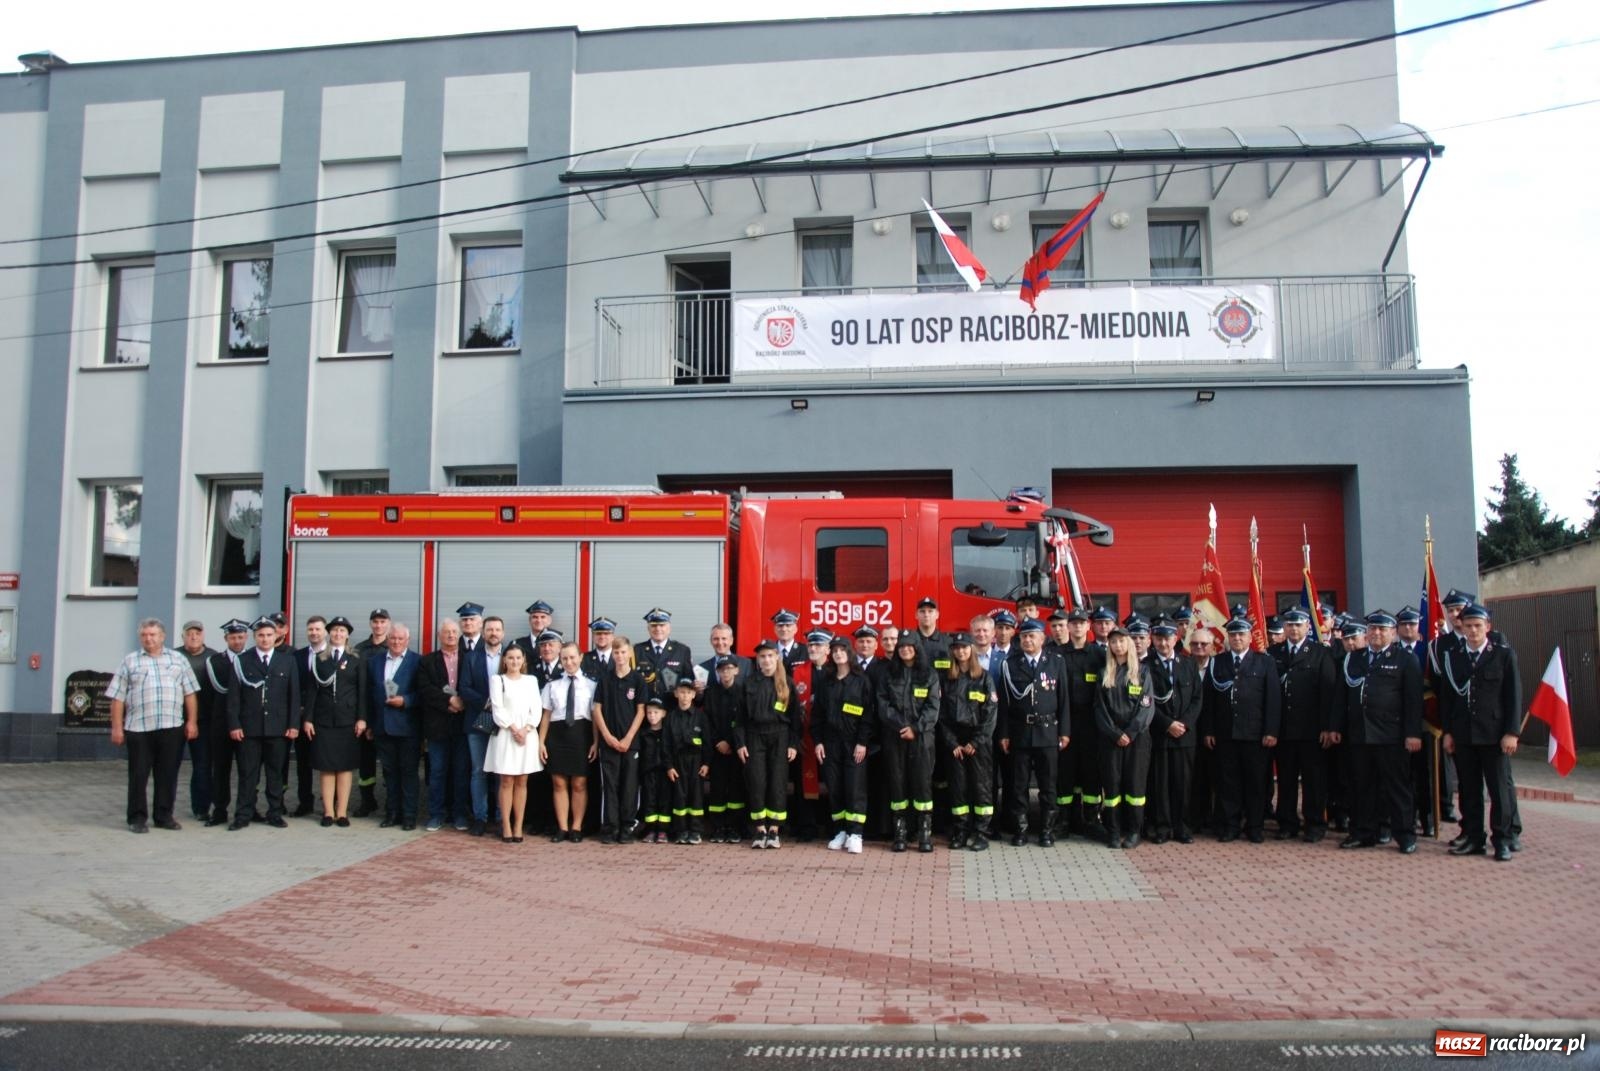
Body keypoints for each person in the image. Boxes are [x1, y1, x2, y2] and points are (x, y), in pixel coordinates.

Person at [1440, 604, 1521, 862]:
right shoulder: (1453, 656)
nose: (1473, 630)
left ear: (1488, 627)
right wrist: (1449, 732)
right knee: (1468, 789)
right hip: (1464, 734)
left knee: (1499, 790)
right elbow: (1449, 699)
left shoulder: (1503, 655)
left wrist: (1511, 732)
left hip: (1494, 734)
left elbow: (1513, 696)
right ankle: (1474, 837)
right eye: (1468, 626)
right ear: (1461, 627)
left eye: (1478, 625)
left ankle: (1503, 840)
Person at [107, 618, 200, 834]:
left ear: (163, 636)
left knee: (167, 774)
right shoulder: (130, 661)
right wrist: (117, 727)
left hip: (171, 727)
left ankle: (164, 816)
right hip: (139, 729)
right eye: (144, 635)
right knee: (138, 775)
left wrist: (192, 721)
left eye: (153, 634)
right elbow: (117, 697)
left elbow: (190, 693)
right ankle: (137, 818)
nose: (148, 639)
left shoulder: (178, 659)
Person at [1342, 611, 1423, 854]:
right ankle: (1363, 832)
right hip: (1360, 734)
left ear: (1393, 632)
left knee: (1397, 787)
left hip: (1391, 735)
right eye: (1373, 629)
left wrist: (1413, 733)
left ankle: (1405, 835)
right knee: (1362, 787)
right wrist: (1335, 727)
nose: (1376, 633)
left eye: (1382, 629)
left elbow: (1413, 700)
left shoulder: (1405, 659)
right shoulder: (1354, 658)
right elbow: (1342, 695)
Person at [1202, 618, 1281, 843]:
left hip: (1255, 735)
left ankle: (1255, 827)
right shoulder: (1218, 662)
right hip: (1226, 734)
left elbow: (1273, 699)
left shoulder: (1264, 662)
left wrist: (1271, 731)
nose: (1237, 638)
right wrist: (1208, 730)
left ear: (1249, 637)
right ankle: (1231, 826)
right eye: (1233, 634)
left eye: (1241, 634)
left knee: (1255, 784)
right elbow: (1209, 700)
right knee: (1229, 783)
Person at [999, 618, 1070, 847]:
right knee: (1019, 786)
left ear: (1042, 638)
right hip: (1020, 732)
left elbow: (1063, 700)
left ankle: (1046, 831)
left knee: (1048, 785)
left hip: (1048, 732)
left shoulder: (1056, 662)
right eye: (1024, 637)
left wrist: (1064, 731)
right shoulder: (1010, 664)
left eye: (1032, 636)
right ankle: (1021, 830)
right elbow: (1004, 705)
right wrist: (1004, 734)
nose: (1028, 640)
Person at [226, 616, 301, 831]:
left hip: (278, 728)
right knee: (248, 774)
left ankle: (275, 813)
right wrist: (234, 725)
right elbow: (233, 697)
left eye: (269, 635)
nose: (265, 639)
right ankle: (243, 814)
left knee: (275, 774)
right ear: (254, 637)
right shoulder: (242, 661)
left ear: (276, 635)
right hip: (249, 728)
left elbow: (294, 696)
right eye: (261, 635)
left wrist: (293, 724)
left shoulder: (287, 660)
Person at [877, 633, 941, 853]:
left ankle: (924, 833)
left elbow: (933, 707)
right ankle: (900, 833)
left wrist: (915, 728)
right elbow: (883, 704)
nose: (904, 649)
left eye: (909, 646)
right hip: (894, 737)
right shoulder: (888, 673)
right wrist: (900, 726)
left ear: (917, 648)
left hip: (922, 738)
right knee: (897, 782)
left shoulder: (929, 674)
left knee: (922, 784)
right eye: (901, 646)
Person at [735, 641, 802, 849]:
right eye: (762, 657)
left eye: (770, 656)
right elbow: (740, 718)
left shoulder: (787, 683)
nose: (766, 660)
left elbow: (795, 718)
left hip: (780, 736)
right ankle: (760, 829)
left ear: (777, 658)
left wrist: (793, 744)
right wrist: (740, 743)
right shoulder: (748, 683)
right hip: (755, 736)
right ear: (758, 661)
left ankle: (774, 829)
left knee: (778, 783)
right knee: (757, 782)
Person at [303, 616, 367, 827]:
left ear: (348, 634)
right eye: (334, 631)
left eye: (342, 631)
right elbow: (312, 691)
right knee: (327, 766)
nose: (338, 634)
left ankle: (342, 812)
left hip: (347, 720)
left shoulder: (357, 658)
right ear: (329, 634)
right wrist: (308, 719)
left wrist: (361, 718)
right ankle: (328, 812)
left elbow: (361, 691)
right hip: (323, 720)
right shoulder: (320, 658)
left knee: (345, 767)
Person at [1095, 626, 1155, 849]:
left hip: (1137, 739)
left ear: (1129, 644)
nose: (1117, 645)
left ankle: (1133, 831)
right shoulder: (1104, 673)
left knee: (1135, 787)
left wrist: (1129, 734)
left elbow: (1146, 707)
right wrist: (1115, 733)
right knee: (1112, 787)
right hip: (1110, 740)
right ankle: (1113, 831)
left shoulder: (1143, 672)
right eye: (1113, 642)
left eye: (1121, 641)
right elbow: (1099, 709)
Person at [814, 636, 873, 854]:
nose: (839, 654)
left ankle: (856, 834)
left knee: (855, 788)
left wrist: (862, 743)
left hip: (853, 744)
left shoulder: (861, 680)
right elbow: (817, 715)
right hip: (830, 743)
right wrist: (818, 741)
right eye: (835, 650)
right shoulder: (826, 681)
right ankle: (840, 831)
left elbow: (868, 715)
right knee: (835, 788)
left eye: (842, 650)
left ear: (849, 652)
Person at [938, 632, 996, 851]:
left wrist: (976, 742)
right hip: (955, 744)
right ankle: (961, 831)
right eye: (957, 648)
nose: (961, 651)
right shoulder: (946, 679)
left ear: (971, 650)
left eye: (964, 647)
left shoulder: (984, 677)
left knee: (981, 787)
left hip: (978, 742)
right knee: (958, 788)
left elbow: (990, 714)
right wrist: (952, 743)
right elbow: (941, 716)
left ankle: (981, 832)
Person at [1145, 621, 1202, 844]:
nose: (1163, 642)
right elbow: (1146, 701)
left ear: (1176, 639)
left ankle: (1182, 827)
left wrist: (1184, 724)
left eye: (1167, 638)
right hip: (1160, 734)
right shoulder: (1145, 666)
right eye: (1159, 638)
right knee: (1160, 784)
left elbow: (1197, 699)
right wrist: (1167, 723)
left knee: (1183, 784)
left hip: (1185, 736)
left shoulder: (1188, 665)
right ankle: (1162, 827)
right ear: (1153, 639)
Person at [538, 642, 598, 842]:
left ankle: (576, 827)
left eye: (572, 657)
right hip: (557, 735)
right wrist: (541, 742)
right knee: (558, 782)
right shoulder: (552, 685)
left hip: (581, 735)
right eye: (564, 658)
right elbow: (545, 715)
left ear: (581, 657)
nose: (569, 662)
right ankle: (562, 827)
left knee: (579, 782)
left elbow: (595, 717)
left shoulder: (591, 685)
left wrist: (596, 742)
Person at [481, 644, 541, 843]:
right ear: (504, 660)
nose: (514, 661)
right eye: (510, 658)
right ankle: (506, 824)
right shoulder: (498, 680)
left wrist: (526, 729)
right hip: (506, 735)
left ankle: (518, 825)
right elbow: (498, 709)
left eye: (518, 658)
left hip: (527, 735)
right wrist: (515, 729)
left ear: (523, 660)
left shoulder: (531, 680)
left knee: (522, 781)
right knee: (506, 781)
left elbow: (537, 708)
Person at [418, 618, 473, 832]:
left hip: (462, 724)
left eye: (453, 632)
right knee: (437, 772)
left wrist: (462, 702)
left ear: (459, 635)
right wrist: (448, 701)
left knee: (461, 771)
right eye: (446, 632)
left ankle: (459, 814)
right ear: (439, 636)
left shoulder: (469, 658)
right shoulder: (428, 661)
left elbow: (475, 685)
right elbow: (425, 689)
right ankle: (436, 815)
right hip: (438, 724)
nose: (450, 635)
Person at [1055, 606, 1105, 841]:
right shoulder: (1057, 655)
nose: (1076, 627)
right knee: (1065, 773)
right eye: (1072, 623)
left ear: (1088, 626)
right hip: (1065, 723)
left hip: (1091, 724)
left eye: (1081, 623)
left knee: (1090, 774)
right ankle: (1064, 821)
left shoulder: (1098, 654)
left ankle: (1091, 821)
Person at [367, 622, 421, 830]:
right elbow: (370, 694)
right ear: (387, 640)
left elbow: (422, 693)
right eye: (393, 638)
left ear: (407, 640)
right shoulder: (375, 662)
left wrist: (406, 701)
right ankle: (392, 813)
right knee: (389, 773)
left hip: (407, 727)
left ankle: (409, 816)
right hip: (382, 727)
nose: (396, 642)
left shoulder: (417, 662)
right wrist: (371, 722)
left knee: (408, 773)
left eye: (400, 639)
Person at [594, 635, 646, 842]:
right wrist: (607, 736)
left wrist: (628, 738)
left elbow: (641, 711)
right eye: (616, 652)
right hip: (609, 744)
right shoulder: (605, 679)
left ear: (630, 653)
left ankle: (627, 827)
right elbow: (597, 709)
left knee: (630, 786)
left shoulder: (637, 680)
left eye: (623, 652)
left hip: (630, 744)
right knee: (610, 786)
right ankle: (611, 827)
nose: (620, 656)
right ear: (612, 654)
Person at [200, 620, 250, 827]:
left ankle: (246, 810)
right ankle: (220, 810)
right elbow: (208, 695)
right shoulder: (215, 662)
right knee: (220, 770)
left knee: (248, 771)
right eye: (232, 637)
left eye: (240, 637)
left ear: (246, 637)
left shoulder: (252, 659)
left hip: (246, 725)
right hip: (220, 725)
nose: (237, 641)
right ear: (226, 639)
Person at [455, 603, 494, 837]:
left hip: (502, 722)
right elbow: (464, 688)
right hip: (476, 719)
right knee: (478, 771)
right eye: (490, 630)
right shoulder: (472, 657)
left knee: (500, 771)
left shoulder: (509, 654)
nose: (493, 634)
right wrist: (488, 703)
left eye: (496, 630)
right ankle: (480, 817)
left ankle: (500, 816)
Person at [703, 655, 748, 843]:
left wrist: (732, 742)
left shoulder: (743, 693)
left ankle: (734, 827)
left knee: (737, 789)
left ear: (737, 671)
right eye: (722, 669)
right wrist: (718, 741)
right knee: (717, 789)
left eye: (730, 669)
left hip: (736, 749)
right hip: (717, 749)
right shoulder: (711, 693)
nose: (726, 672)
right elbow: (707, 721)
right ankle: (718, 828)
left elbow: (743, 721)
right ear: (718, 672)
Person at [351, 609, 390, 817]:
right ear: (370, 625)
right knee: (365, 764)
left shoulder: (393, 648)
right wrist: (362, 718)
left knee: (387, 763)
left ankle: (389, 803)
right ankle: (367, 801)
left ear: (388, 624)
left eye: (382, 621)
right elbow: (357, 687)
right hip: (364, 715)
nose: (378, 625)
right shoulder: (359, 650)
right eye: (375, 622)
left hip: (384, 717)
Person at [176, 620, 216, 822]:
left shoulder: (213, 657)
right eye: (189, 633)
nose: (193, 637)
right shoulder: (173, 657)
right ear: (182, 636)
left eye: (197, 633)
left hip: (204, 721)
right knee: (169, 765)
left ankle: (201, 808)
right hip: (174, 720)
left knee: (202, 765)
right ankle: (163, 807)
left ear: (203, 636)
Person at [289, 616, 328, 818]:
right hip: (303, 717)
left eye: (318, 629)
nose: (314, 633)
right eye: (311, 629)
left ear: (325, 632)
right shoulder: (297, 656)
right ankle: (305, 802)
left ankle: (328, 804)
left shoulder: (332, 655)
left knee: (326, 763)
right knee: (302, 763)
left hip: (325, 719)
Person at [666, 677, 712, 844]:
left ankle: (695, 830)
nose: (685, 696)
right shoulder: (670, 718)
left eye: (688, 692)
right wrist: (669, 766)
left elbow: (707, 742)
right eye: (682, 692)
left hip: (696, 762)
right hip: (678, 762)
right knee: (679, 796)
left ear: (694, 695)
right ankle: (681, 830)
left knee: (696, 797)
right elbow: (666, 744)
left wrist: (707, 763)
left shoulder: (700, 717)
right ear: (676, 694)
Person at [636, 608, 694, 702]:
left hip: (672, 710)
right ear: (648, 628)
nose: (658, 629)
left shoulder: (682, 651)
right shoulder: (637, 650)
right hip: (647, 711)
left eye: (662, 625)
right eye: (654, 625)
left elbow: (688, 682)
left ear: (669, 627)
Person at [637, 697, 673, 840]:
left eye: (656, 712)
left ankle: (663, 830)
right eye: (649, 713)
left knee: (665, 800)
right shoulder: (643, 733)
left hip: (665, 772)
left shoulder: (668, 733)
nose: (652, 716)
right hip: (648, 772)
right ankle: (650, 829)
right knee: (649, 800)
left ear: (663, 713)